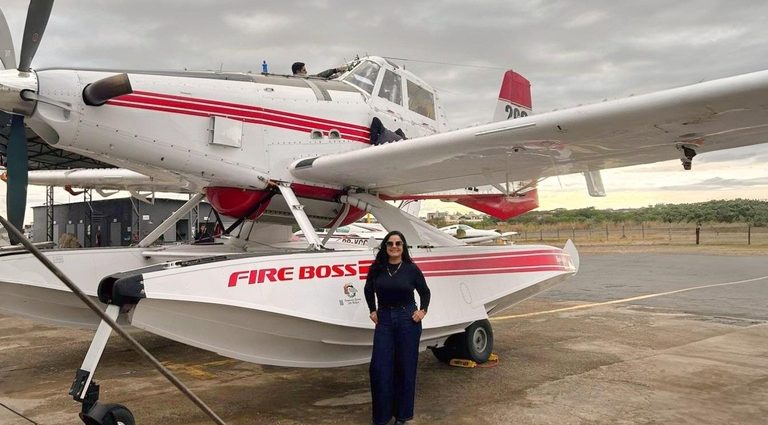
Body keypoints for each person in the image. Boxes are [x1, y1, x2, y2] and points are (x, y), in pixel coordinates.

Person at [364, 230, 430, 425]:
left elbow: (425, 292)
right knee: (379, 368)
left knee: (405, 367)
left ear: (403, 247)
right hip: (384, 319)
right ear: (385, 247)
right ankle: (382, 417)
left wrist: (422, 311)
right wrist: (372, 310)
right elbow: (368, 289)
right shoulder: (377, 268)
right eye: (390, 243)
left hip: (407, 319)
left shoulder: (411, 269)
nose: (394, 247)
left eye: (398, 243)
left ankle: (402, 416)